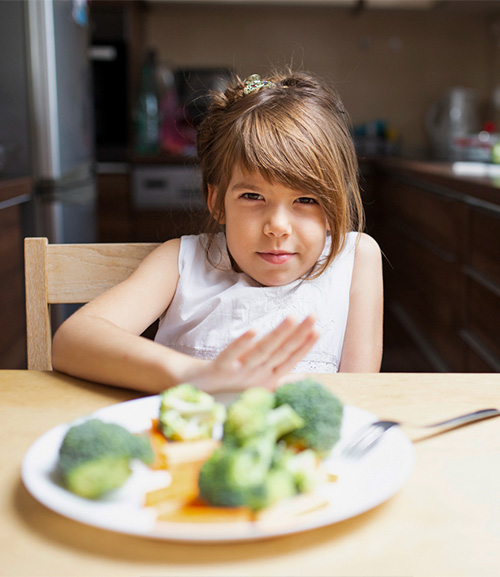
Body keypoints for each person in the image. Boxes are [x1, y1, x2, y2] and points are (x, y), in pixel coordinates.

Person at [52, 69, 383, 394]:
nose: (278, 227)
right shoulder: (180, 262)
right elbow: (72, 340)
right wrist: (196, 375)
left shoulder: (354, 261)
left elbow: (359, 395)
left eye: (306, 199)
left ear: (334, 207)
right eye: (252, 196)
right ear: (217, 201)